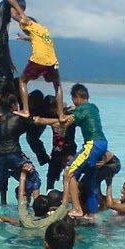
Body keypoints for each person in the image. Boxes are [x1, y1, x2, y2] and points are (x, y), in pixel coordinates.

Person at [35, 83, 108, 219]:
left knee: (69, 172)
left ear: (77, 97)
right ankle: (93, 213)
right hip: (102, 143)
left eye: (73, 98)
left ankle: (76, 208)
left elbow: (64, 123)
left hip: (92, 144)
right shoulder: (93, 107)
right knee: (89, 181)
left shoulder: (81, 109)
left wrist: (42, 121)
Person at [4, 0, 65, 121]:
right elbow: (36, 38)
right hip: (52, 61)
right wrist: (25, 38)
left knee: (22, 81)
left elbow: (13, 12)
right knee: (57, 85)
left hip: (39, 59)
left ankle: (25, 110)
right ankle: (61, 115)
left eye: (25, 31)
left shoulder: (27, 23)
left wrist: (12, 6)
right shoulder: (43, 29)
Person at [0, 95, 42, 213]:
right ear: (13, 105)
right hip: (13, 154)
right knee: (34, 178)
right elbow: (37, 121)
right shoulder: (18, 118)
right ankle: (38, 208)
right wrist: (56, 122)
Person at [45, 95, 77, 191]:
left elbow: (77, 109)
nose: (51, 112)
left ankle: (70, 197)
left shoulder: (69, 113)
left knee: (69, 176)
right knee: (50, 177)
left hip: (68, 149)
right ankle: (49, 196)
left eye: (52, 109)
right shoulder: (51, 116)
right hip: (56, 150)